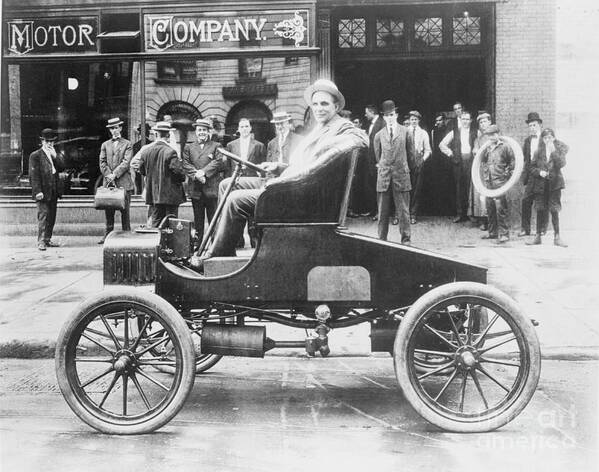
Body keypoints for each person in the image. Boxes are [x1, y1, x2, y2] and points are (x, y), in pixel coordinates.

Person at [192, 79, 368, 265]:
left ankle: (217, 257)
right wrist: (280, 167)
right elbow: (304, 164)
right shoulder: (321, 126)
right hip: (292, 184)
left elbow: (361, 139)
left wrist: (327, 148)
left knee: (236, 200)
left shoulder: (341, 126)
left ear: (336, 106)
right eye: (315, 104)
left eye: (324, 104)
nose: (319, 108)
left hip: (301, 196)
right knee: (227, 184)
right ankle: (223, 251)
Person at [374, 99, 414, 244]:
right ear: (383, 117)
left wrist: (404, 168)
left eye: (392, 114)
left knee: (403, 211)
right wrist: (384, 168)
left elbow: (411, 155)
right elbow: (378, 157)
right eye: (386, 115)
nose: (389, 118)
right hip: (384, 177)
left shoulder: (405, 132)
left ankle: (406, 239)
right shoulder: (378, 135)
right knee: (382, 212)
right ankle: (381, 239)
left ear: (396, 115)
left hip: (401, 175)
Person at [182, 118, 225, 246]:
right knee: (198, 220)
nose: (202, 132)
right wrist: (196, 174)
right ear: (196, 132)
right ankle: (198, 245)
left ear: (208, 132)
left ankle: (215, 245)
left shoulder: (216, 146)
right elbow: (185, 163)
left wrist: (203, 172)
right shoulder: (189, 147)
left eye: (204, 130)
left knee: (213, 219)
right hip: (196, 189)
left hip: (211, 189)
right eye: (199, 130)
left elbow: (218, 161)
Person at [138, 121, 186, 227]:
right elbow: (179, 172)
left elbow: (141, 170)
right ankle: (168, 244)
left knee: (155, 223)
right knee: (171, 224)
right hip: (170, 195)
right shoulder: (171, 152)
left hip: (153, 195)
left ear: (156, 134)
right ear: (168, 135)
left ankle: (155, 243)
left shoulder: (146, 152)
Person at [526, 128, 568, 247]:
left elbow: (561, 164)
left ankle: (557, 237)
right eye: (545, 138)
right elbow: (531, 167)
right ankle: (538, 236)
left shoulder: (558, 150)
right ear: (543, 139)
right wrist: (539, 172)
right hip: (541, 185)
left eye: (550, 137)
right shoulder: (538, 152)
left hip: (555, 185)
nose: (548, 140)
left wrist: (553, 151)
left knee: (554, 210)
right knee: (540, 209)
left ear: (553, 138)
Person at [98, 117, 133, 244]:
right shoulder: (105, 145)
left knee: (125, 211)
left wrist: (115, 174)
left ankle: (127, 235)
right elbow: (102, 162)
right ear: (110, 130)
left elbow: (126, 162)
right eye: (112, 128)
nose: (115, 130)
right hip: (109, 183)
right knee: (109, 211)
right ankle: (108, 235)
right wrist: (108, 175)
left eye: (116, 127)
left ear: (121, 128)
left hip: (123, 182)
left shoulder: (127, 144)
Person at [439, 110, 478, 222]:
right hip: (458, 162)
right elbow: (442, 145)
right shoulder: (454, 132)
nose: (465, 121)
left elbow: (481, 144)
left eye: (467, 119)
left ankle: (471, 214)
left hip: (471, 162)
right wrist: (451, 154)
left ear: (471, 120)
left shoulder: (476, 132)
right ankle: (460, 214)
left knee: (470, 188)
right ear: (460, 120)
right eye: (463, 119)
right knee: (459, 188)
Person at [479, 125, 515, 244]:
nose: (491, 137)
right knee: (490, 208)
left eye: (493, 134)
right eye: (489, 135)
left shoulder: (505, 147)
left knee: (501, 208)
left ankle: (504, 234)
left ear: (498, 134)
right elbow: (482, 160)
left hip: (500, 181)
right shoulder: (487, 148)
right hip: (488, 181)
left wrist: (507, 174)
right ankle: (492, 232)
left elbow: (512, 162)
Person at [29, 128, 63, 251]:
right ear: (42, 141)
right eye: (47, 141)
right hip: (42, 191)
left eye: (52, 141)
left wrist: (55, 156)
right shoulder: (35, 155)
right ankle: (41, 241)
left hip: (53, 190)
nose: (50, 144)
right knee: (43, 216)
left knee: (52, 216)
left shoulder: (53, 154)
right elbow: (34, 175)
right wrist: (37, 191)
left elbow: (62, 167)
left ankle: (47, 239)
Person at [519, 112, 548, 237]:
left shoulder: (546, 138)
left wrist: (546, 172)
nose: (532, 128)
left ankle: (541, 229)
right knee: (526, 201)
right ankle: (526, 229)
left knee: (541, 202)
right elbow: (526, 159)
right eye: (530, 125)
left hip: (542, 176)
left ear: (540, 125)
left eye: (534, 125)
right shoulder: (527, 141)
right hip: (531, 175)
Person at [407, 110, 431, 224]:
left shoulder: (423, 133)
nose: (414, 121)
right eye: (412, 119)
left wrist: (422, 160)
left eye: (416, 119)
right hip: (406, 163)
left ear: (419, 120)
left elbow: (428, 150)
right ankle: (404, 213)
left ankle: (413, 214)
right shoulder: (405, 131)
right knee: (406, 189)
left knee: (416, 189)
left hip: (418, 162)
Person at [470, 112, 492, 231]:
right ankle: (484, 220)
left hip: (493, 170)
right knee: (482, 195)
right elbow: (476, 151)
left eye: (485, 121)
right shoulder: (478, 139)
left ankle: (493, 221)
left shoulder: (495, 136)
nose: (483, 124)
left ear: (489, 122)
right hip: (482, 170)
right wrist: (475, 150)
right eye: (481, 122)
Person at [364, 104, 386, 220]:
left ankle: (380, 212)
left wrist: (380, 161)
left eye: (366, 112)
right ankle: (374, 210)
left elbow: (385, 144)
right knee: (373, 186)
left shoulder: (382, 123)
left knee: (380, 188)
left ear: (372, 112)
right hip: (371, 162)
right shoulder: (371, 125)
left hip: (378, 162)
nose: (365, 115)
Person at [264, 111, 301, 177]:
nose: (280, 127)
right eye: (277, 124)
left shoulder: (298, 140)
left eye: (282, 123)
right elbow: (269, 164)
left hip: (292, 176)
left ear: (287, 123)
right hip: (275, 178)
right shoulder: (272, 143)